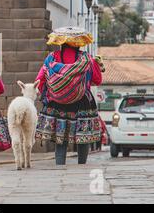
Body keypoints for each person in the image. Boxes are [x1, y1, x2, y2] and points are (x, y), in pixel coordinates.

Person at [35, 27, 103, 165]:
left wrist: (52, 93)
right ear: (78, 43)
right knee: (82, 136)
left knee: (61, 137)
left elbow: (40, 79)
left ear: (61, 42)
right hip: (82, 101)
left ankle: (60, 164)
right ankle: (82, 163)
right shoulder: (86, 58)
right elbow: (97, 80)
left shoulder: (51, 58)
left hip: (57, 102)